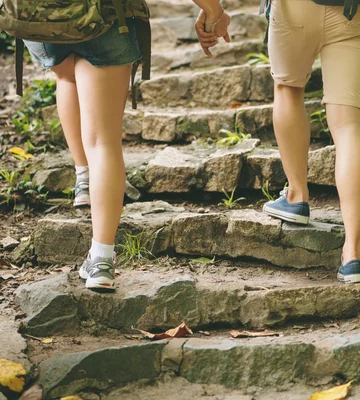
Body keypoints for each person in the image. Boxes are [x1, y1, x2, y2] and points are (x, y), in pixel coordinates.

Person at [23, 0, 230, 291]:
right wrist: (213, 10)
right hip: (107, 20)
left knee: (66, 75)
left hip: (41, 17)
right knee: (103, 142)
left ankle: (84, 177)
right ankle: (101, 259)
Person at [257, 0, 360, 283]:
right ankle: (354, 253)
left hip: (295, 9)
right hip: (351, 11)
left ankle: (296, 196)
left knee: (288, 89)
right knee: (350, 126)